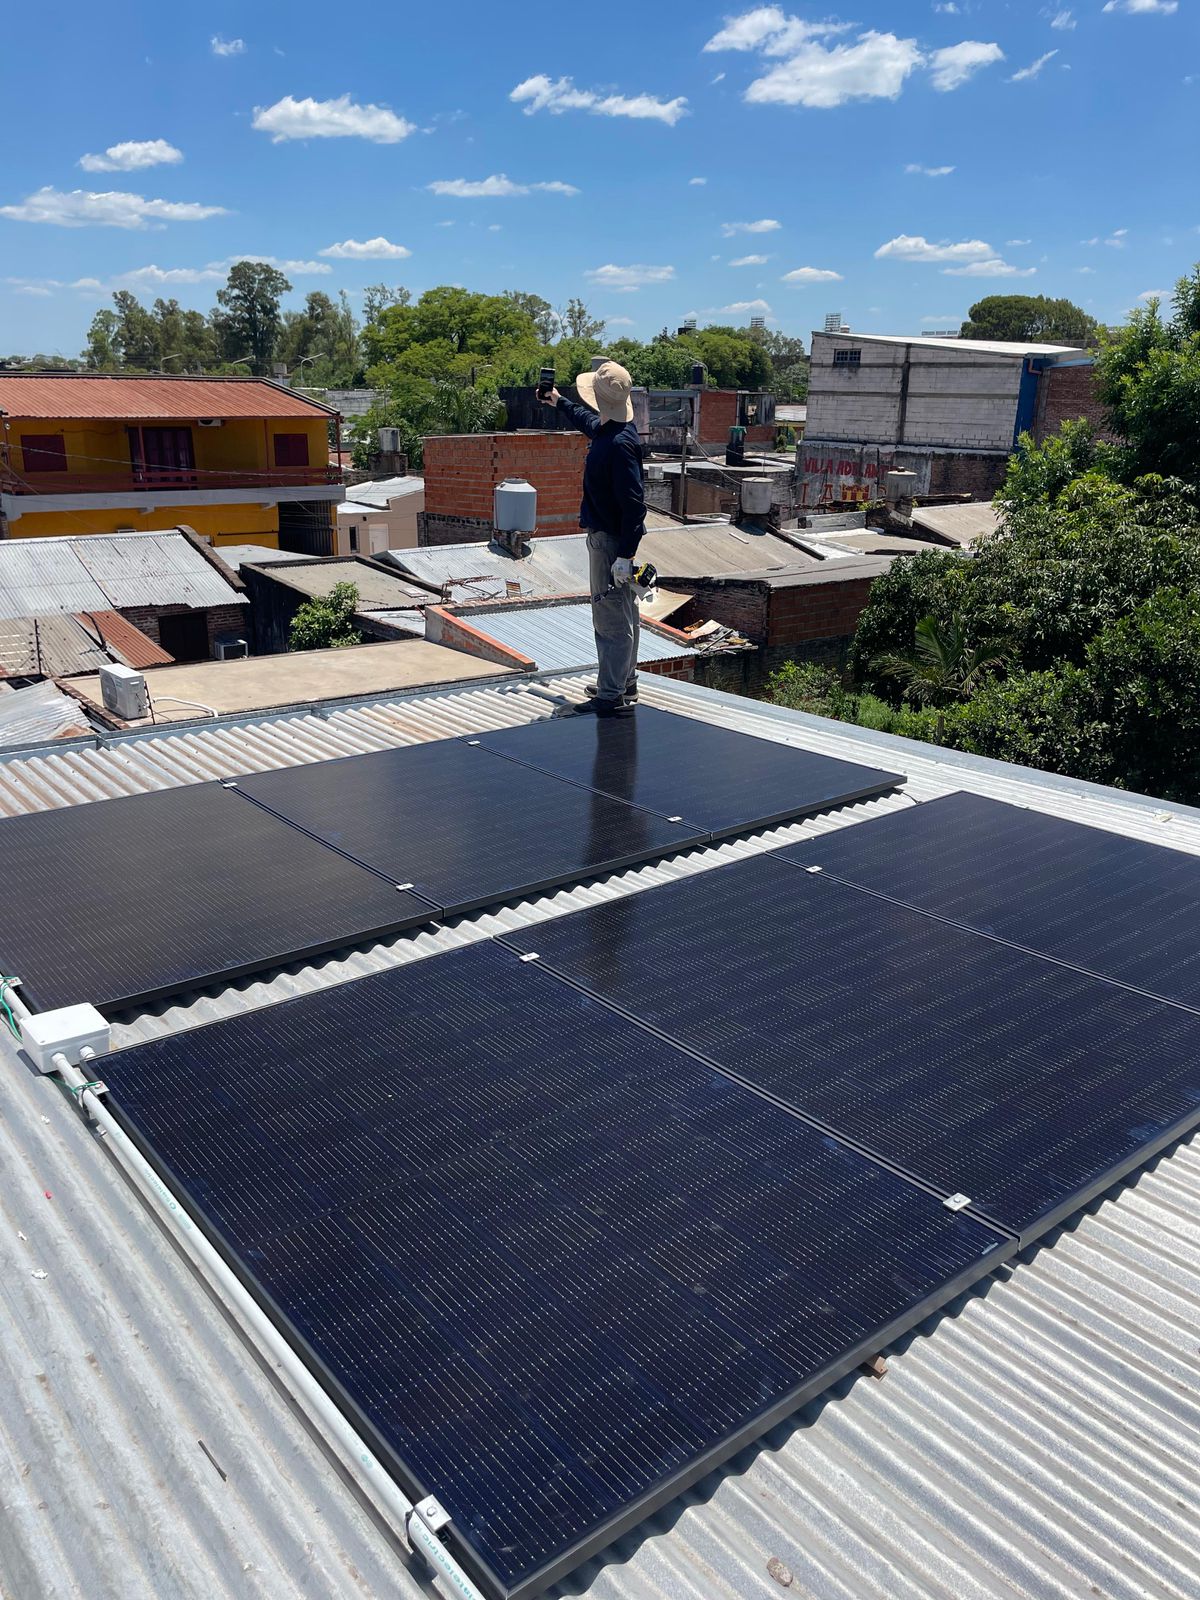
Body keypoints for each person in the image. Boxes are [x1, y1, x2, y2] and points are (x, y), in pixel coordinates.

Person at [541, 361, 645, 717]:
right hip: (614, 541)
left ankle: (611, 695)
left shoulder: (618, 446)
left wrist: (625, 555)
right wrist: (558, 401)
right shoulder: (614, 430)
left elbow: (635, 506)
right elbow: (590, 424)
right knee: (626, 611)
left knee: (610, 617)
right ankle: (622, 681)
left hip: (611, 542)